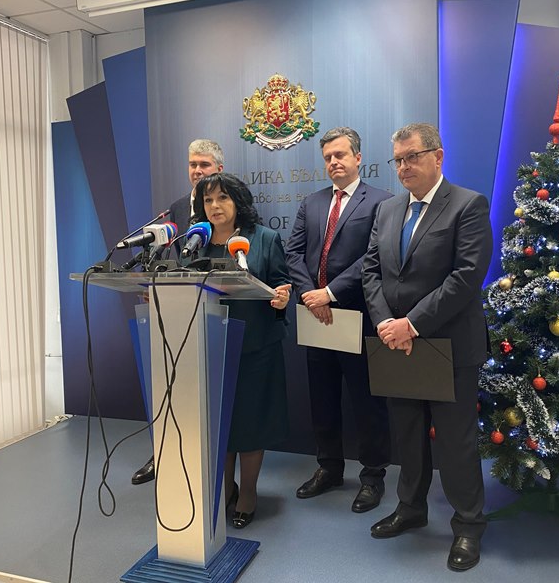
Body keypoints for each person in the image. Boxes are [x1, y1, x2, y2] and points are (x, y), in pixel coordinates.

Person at [361, 123, 492, 571]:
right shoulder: (387, 209)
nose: (403, 167)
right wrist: (385, 322)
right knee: (408, 434)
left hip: (447, 345)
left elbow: (466, 276)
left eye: (412, 157)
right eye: (398, 160)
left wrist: (411, 324)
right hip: (396, 344)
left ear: (438, 156)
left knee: (456, 442)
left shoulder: (468, 205)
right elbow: (371, 271)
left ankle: (468, 525)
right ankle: (411, 509)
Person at [284, 127, 392, 513]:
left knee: (367, 402)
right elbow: (293, 253)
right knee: (322, 397)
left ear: (358, 157)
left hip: (358, 316)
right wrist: (309, 295)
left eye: (341, 155)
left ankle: (373, 477)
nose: (334, 162)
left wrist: (329, 293)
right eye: (328, 157)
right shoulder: (312, 202)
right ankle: (329, 468)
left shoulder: (382, 202)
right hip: (316, 316)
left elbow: (374, 257)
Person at [192, 172, 292, 528]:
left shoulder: (263, 238)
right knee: (219, 424)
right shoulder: (196, 244)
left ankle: (248, 492)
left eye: (223, 198)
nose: (215, 206)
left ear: (238, 201)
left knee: (250, 422)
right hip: (208, 346)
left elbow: (280, 282)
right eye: (208, 200)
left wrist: (282, 297)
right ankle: (225, 488)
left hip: (255, 346)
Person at [131, 139, 225, 486]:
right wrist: (153, 283)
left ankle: (210, 454)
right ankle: (165, 450)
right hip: (177, 309)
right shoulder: (176, 208)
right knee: (171, 381)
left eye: (204, 165)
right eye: (192, 165)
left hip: (217, 309)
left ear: (219, 169)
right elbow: (169, 257)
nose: (197, 171)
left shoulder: (230, 203)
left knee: (210, 389)